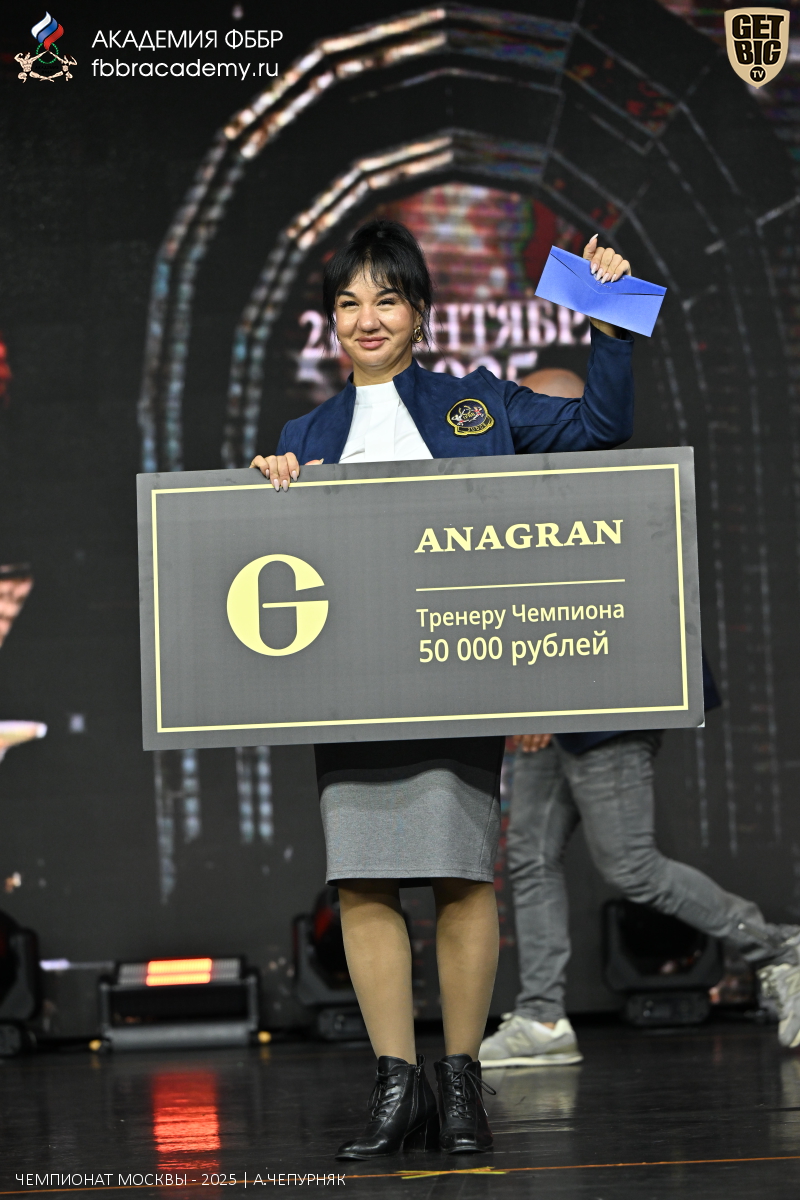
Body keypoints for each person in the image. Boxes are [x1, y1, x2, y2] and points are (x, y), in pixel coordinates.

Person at [251, 221, 636, 1158]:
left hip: (453, 683)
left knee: (462, 875)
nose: (367, 318)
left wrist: (610, 315)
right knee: (362, 881)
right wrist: (264, 492)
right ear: (331, 323)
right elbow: (267, 558)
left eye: (386, 299)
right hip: (347, 691)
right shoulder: (305, 436)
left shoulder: (476, 402)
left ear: (420, 314)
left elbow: (601, 428)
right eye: (349, 303)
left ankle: (460, 1087)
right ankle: (397, 1089)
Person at [478, 368, 800, 1071]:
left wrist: (549, 698)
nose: (525, 428)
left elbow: (619, 613)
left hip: (609, 709)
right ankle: (541, 1017)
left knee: (631, 867)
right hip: (544, 714)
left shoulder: (620, 494)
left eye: (542, 414)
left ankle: (782, 948)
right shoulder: (521, 500)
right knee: (529, 858)